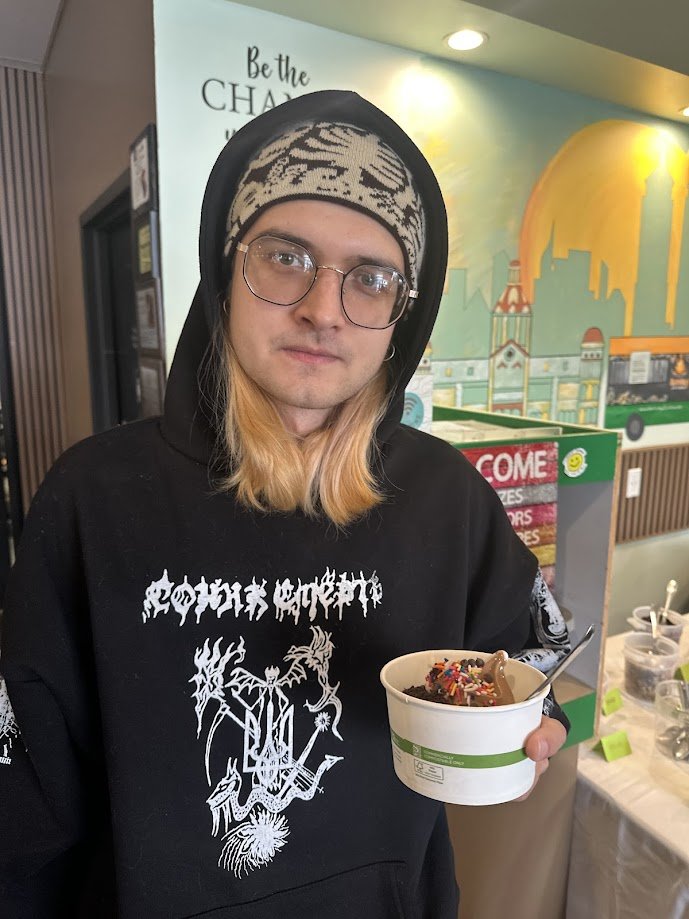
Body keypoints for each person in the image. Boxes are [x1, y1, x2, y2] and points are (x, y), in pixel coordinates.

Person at [0, 90, 570, 918]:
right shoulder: (90, 499)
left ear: (399, 318)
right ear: (227, 269)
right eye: (286, 257)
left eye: (369, 279)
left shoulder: (449, 498)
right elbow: (26, 809)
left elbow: (530, 661)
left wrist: (533, 722)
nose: (321, 309)